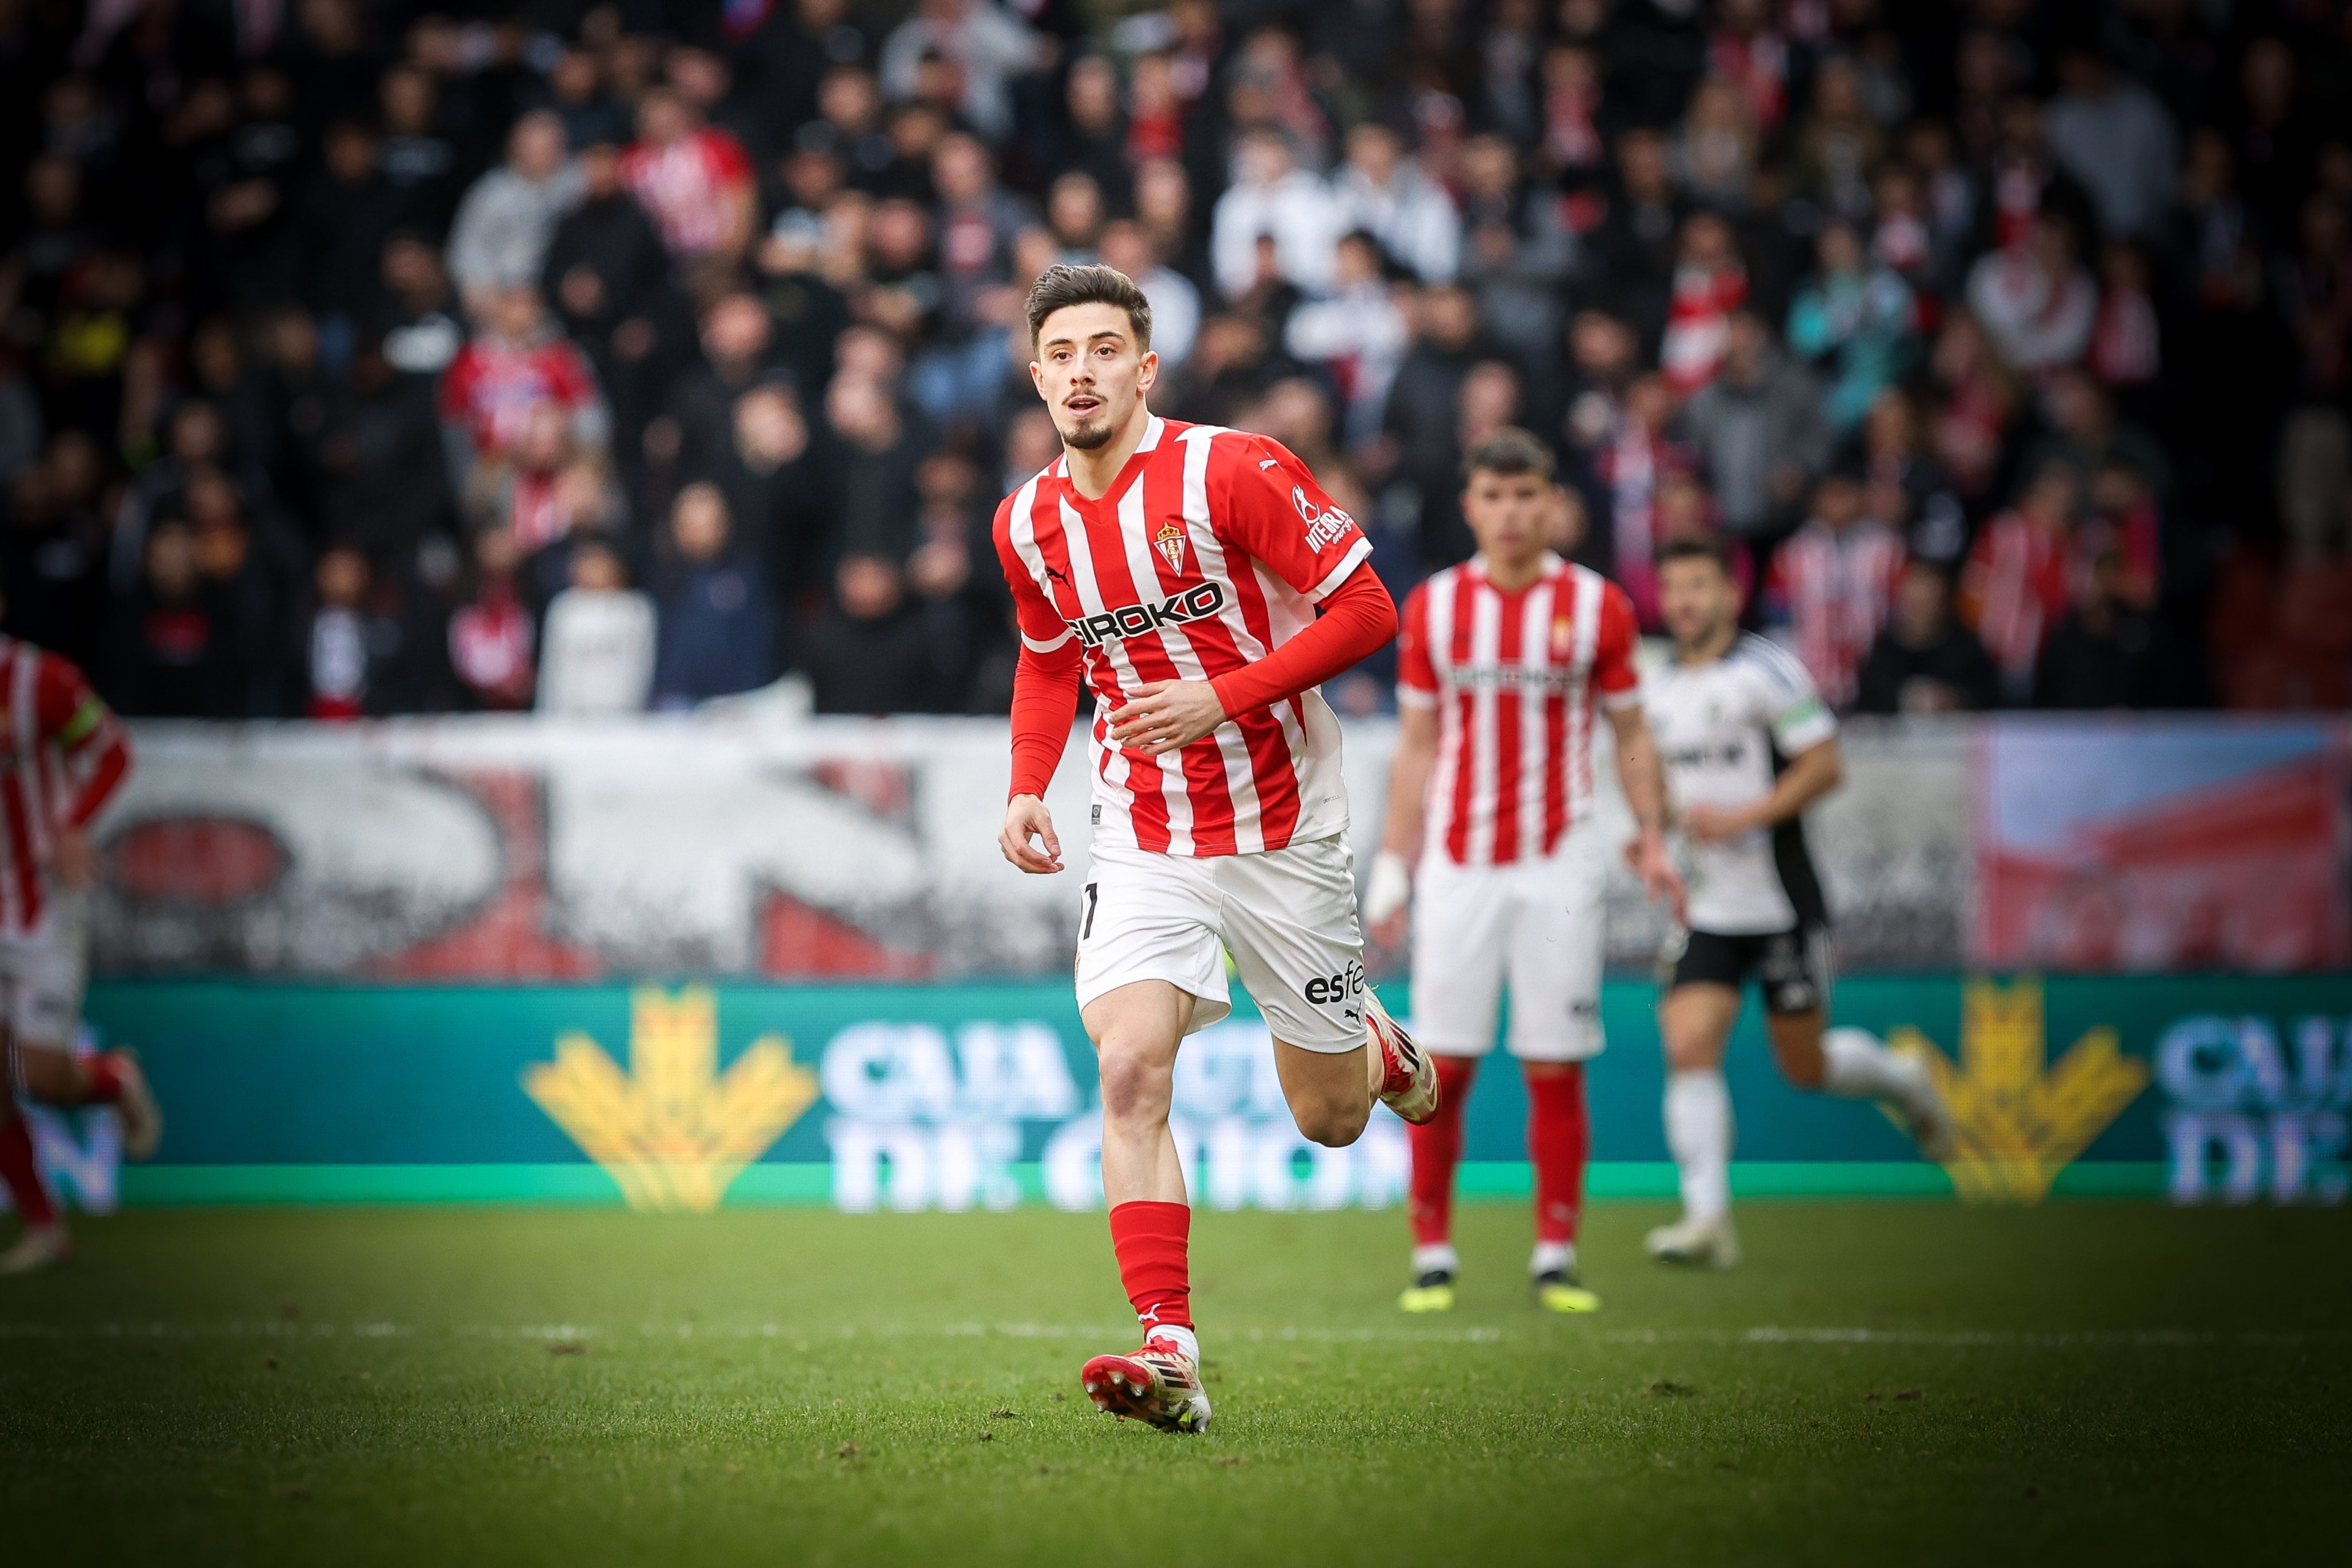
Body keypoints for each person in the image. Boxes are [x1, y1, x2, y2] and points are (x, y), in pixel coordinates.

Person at [992, 265, 1437, 1434]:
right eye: (1060, 353)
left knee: (1329, 1117)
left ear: (1144, 368)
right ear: (1035, 375)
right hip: (1140, 829)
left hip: (1283, 824)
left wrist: (1219, 698)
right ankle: (1171, 1350)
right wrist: (1025, 785)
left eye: (1104, 349)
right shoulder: (1026, 519)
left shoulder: (1230, 469)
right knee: (1129, 1068)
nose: (1081, 371)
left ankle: (1370, 1044)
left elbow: (1368, 610)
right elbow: (1048, 660)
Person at [1364, 428, 1682, 1317]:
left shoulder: (1597, 607)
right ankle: (1432, 1252)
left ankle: (1555, 1251)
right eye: (1494, 497)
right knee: (1443, 1065)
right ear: (1470, 506)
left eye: (1526, 496)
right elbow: (1419, 745)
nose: (1511, 513)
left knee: (1554, 1063)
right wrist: (1395, 860)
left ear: (1554, 503)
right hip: (1461, 864)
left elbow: (1629, 732)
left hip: (1561, 863)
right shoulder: (1434, 606)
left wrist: (1651, 832)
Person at [1640, 537, 1952, 1269]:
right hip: (1705, 907)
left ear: (1730, 594)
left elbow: (1826, 764)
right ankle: (1708, 1221)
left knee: (1804, 1066)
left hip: (1780, 900)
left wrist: (1745, 818)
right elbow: (1652, 778)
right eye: (1674, 587)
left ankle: (1904, 1078)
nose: (1684, 600)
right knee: (1687, 1044)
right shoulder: (1654, 688)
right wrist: (1651, 835)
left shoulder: (1766, 671)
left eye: (1699, 584)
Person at [0, 593, 161, 1275]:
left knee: (39, 1075)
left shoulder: (46, 681)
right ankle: (43, 1224)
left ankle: (115, 1079)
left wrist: (72, 824)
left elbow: (116, 752)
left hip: (42, 900)